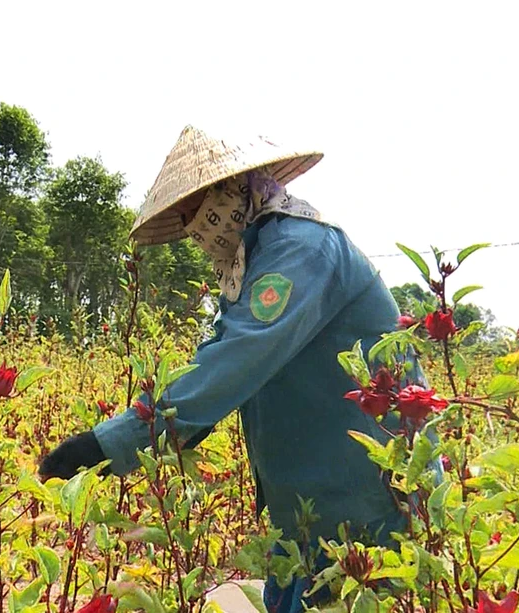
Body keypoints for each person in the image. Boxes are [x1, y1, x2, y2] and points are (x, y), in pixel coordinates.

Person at [38, 127, 422, 612]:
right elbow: (217, 364)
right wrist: (165, 432)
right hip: (309, 518)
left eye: (194, 212)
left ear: (230, 191)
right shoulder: (254, 264)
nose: (193, 228)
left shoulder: (301, 251)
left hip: (370, 508)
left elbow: (234, 361)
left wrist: (108, 445)